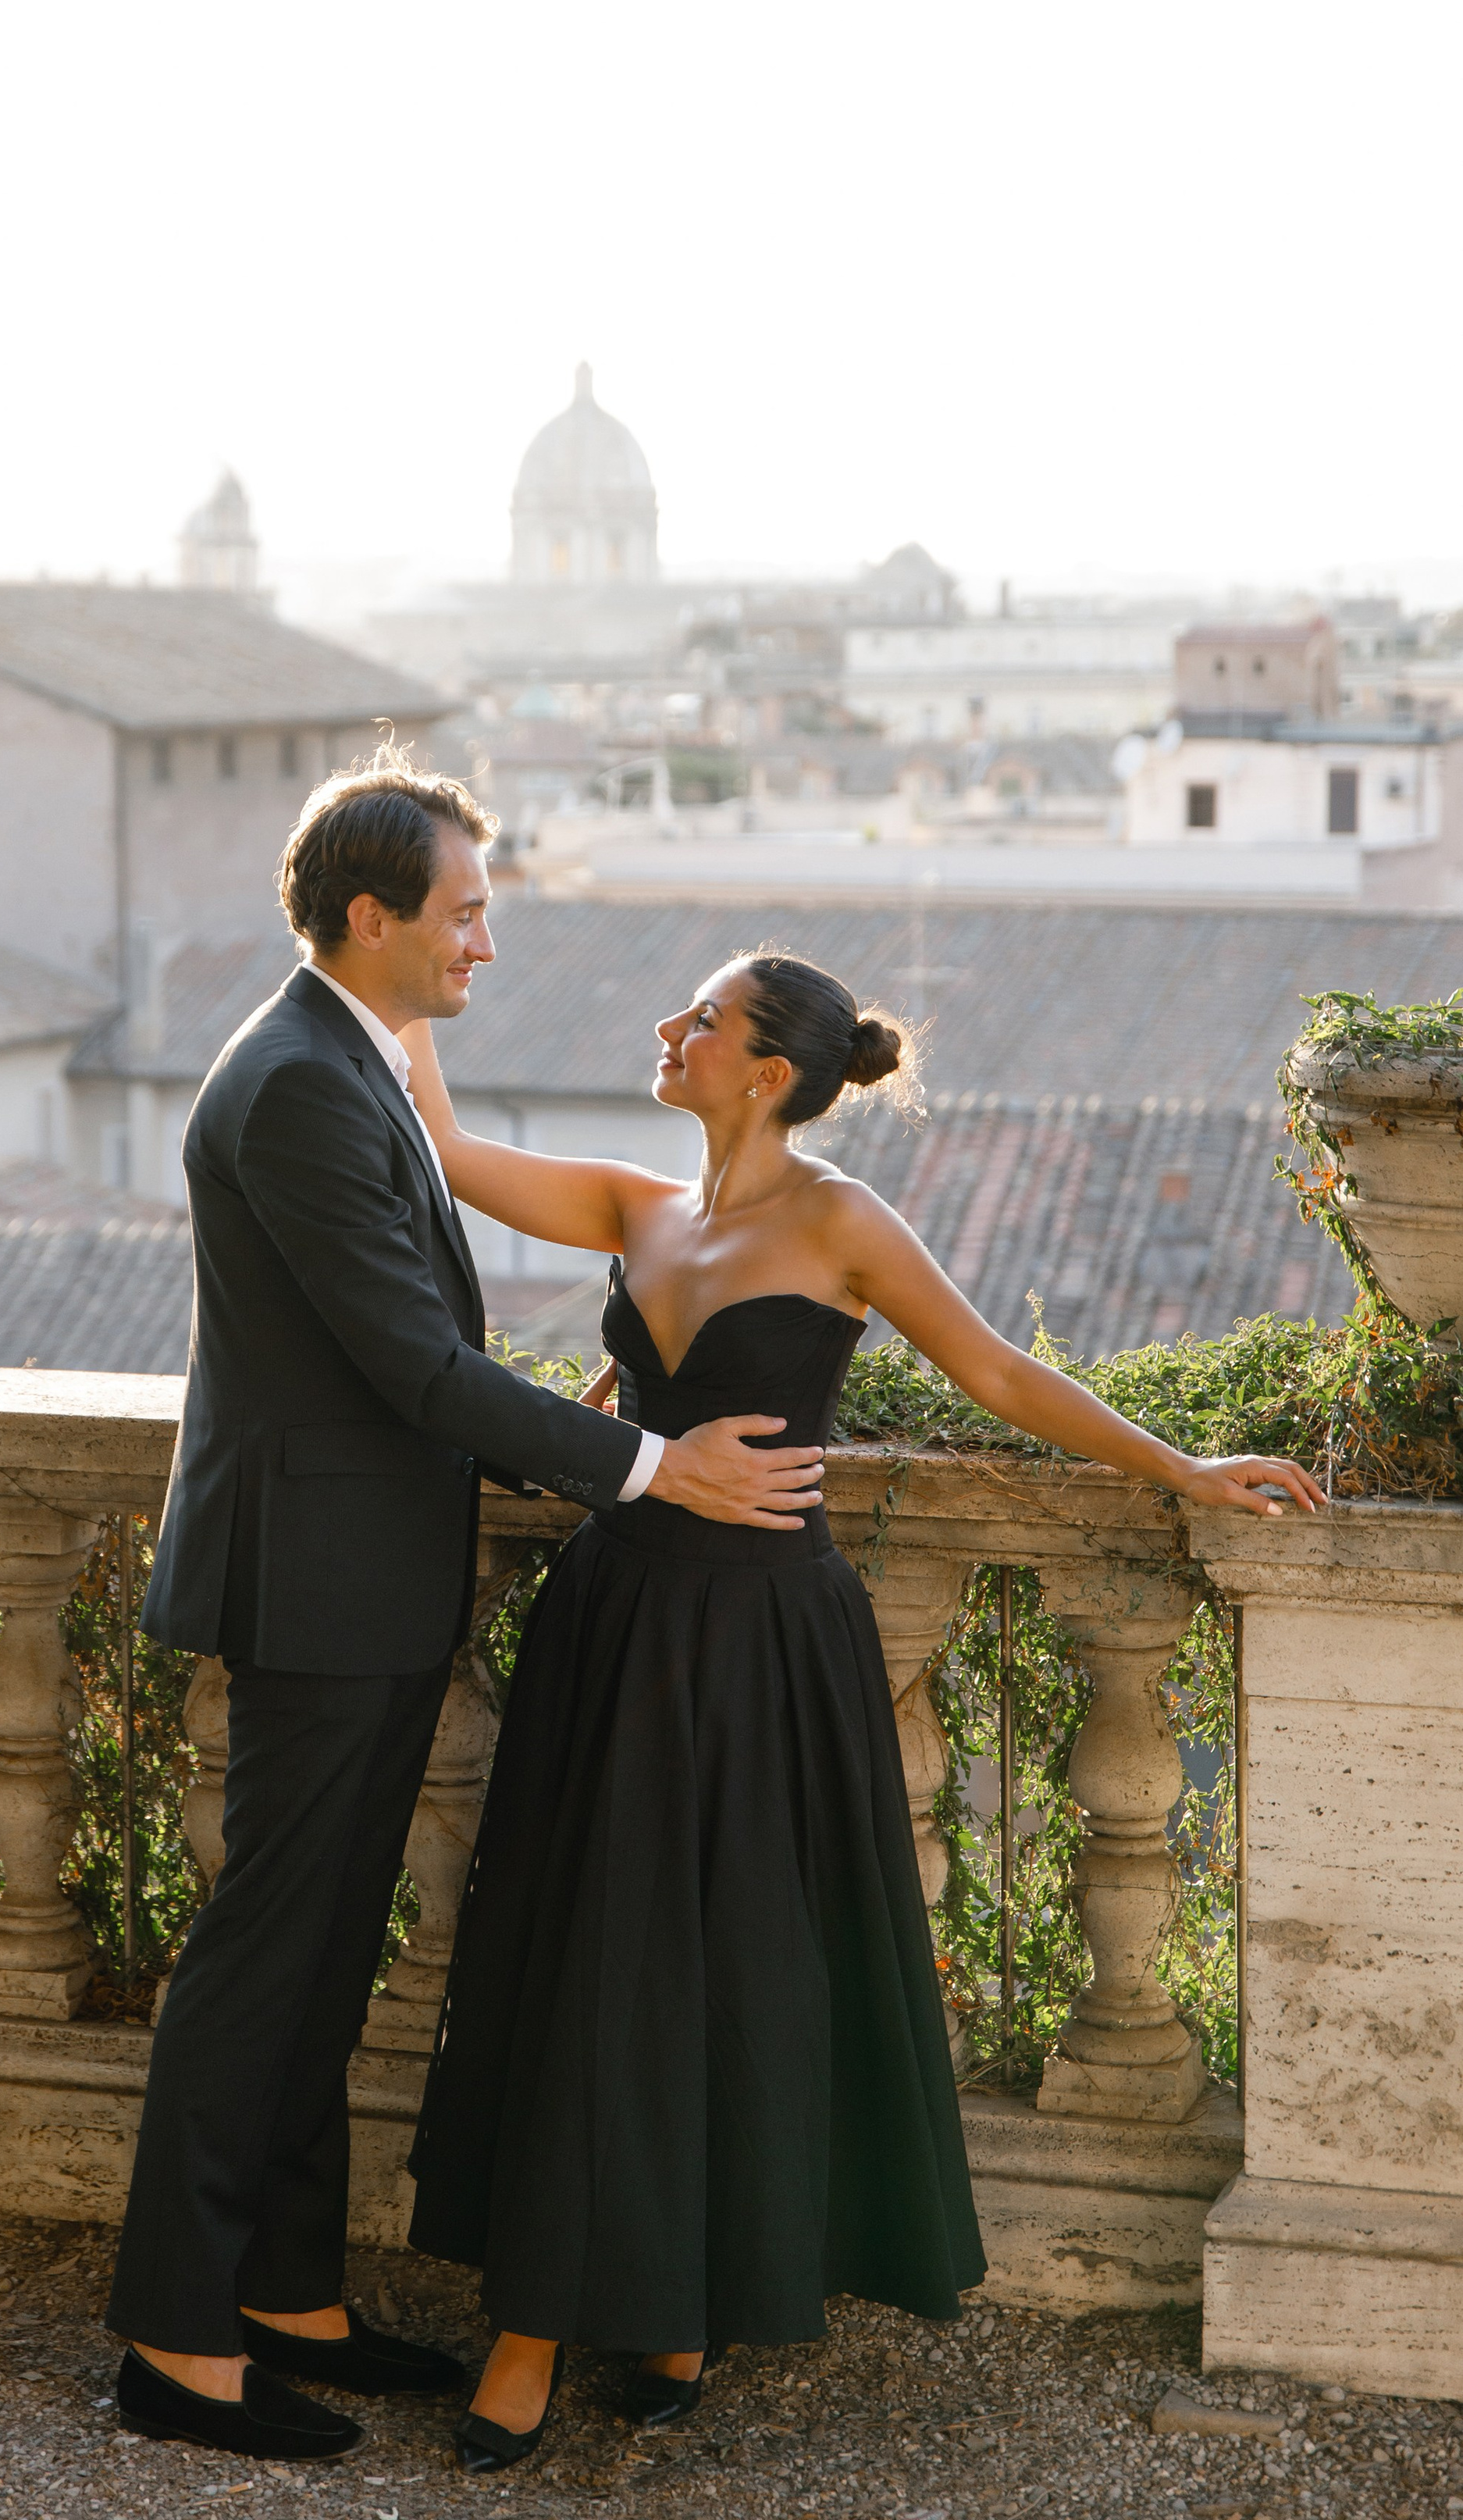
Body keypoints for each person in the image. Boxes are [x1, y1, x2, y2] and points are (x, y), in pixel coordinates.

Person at [401, 947, 1326, 2474]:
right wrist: (401, 993)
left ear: (763, 1071)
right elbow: (440, 1151)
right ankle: (530, 2321)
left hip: (770, 1645)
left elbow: (996, 1375)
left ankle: (679, 2291)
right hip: (618, 1625)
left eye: (698, 1019)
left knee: (731, 1962)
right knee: (590, 1944)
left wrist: (1183, 1470)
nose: (666, 1030)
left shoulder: (841, 1224)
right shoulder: (637, 1205)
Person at [106, 760, 830, 2464]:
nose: (484, 943)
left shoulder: (340, 1059)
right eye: (465, 912)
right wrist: (651, 1466)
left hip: (355, 1577)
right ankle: (170, 2344)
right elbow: (416, 1367)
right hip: (314, 1588)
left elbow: (419, 1343)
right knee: (260, 1966)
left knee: (320, 1953)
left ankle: (286, 2297)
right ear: (373, 919)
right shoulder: (292, 1084)